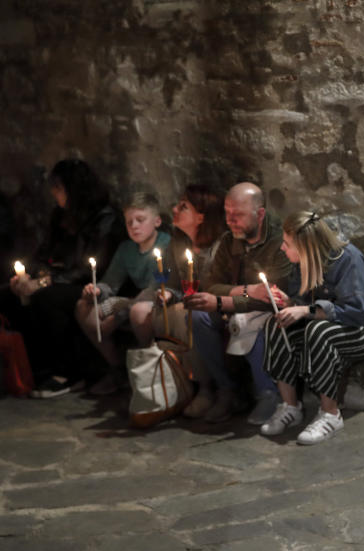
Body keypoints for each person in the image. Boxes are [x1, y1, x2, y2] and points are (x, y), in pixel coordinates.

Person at [259, 211, 364, 445]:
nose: (283, 249)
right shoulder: (302, 263)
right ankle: (290, 406)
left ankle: (330, 414)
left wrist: (306, 311)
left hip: (363, 330)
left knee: (318, 332)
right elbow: (303, 301)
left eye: (287, 245)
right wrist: (291, 304)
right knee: (277, 324)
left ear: (306, 246)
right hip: (326, 323)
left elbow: (356, 313)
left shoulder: (347, 260)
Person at [3, 159, 124, 397]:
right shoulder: (61, 216)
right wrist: (27, 277)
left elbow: (90, 268)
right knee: (8, 295)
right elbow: (43, 253)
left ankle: (68, 372)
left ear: (74, 188)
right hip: (56, 278)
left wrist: (44, 282)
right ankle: (31, 368)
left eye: (58, 188)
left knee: (46, 298)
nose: (53, 193)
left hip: (88, 285)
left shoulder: (104, 217)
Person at [182, 182, 291, 424]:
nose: (230, 220)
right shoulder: (230, 239)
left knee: (246, 321)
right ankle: (226, 389)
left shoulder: (279, 243)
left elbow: (271, 299)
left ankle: (267, 394)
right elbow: (212, 285)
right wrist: (247, 290)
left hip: (271, 311)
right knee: (198, 316)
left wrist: (224, 302)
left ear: (259, 214)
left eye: (238, 214)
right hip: (240, 302)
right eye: (227, 212)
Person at [75, 192, 173, 394]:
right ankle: (118, 369)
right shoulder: (127, 248)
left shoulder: (166, 245)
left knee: (138, 310)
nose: (134, 226)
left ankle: (150, 372)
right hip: (135, 300)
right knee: (83, 308)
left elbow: (155, 289)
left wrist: (117, 316)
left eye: (140, 220)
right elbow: (111, 282)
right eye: (129, 222)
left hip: (161, 299)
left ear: (157, 221)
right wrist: (96, 290)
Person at [128, 185, 225, 363]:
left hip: (212, 307)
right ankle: (161, 370)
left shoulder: (220, 248)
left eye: (183, 207)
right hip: (183, 302)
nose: (174, 209)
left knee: (185, 316)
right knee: (141, 311)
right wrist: (169, 292)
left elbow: (214, 291)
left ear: (201, 217)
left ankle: (204, 382)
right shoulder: (178, 242)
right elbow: (170, 281)